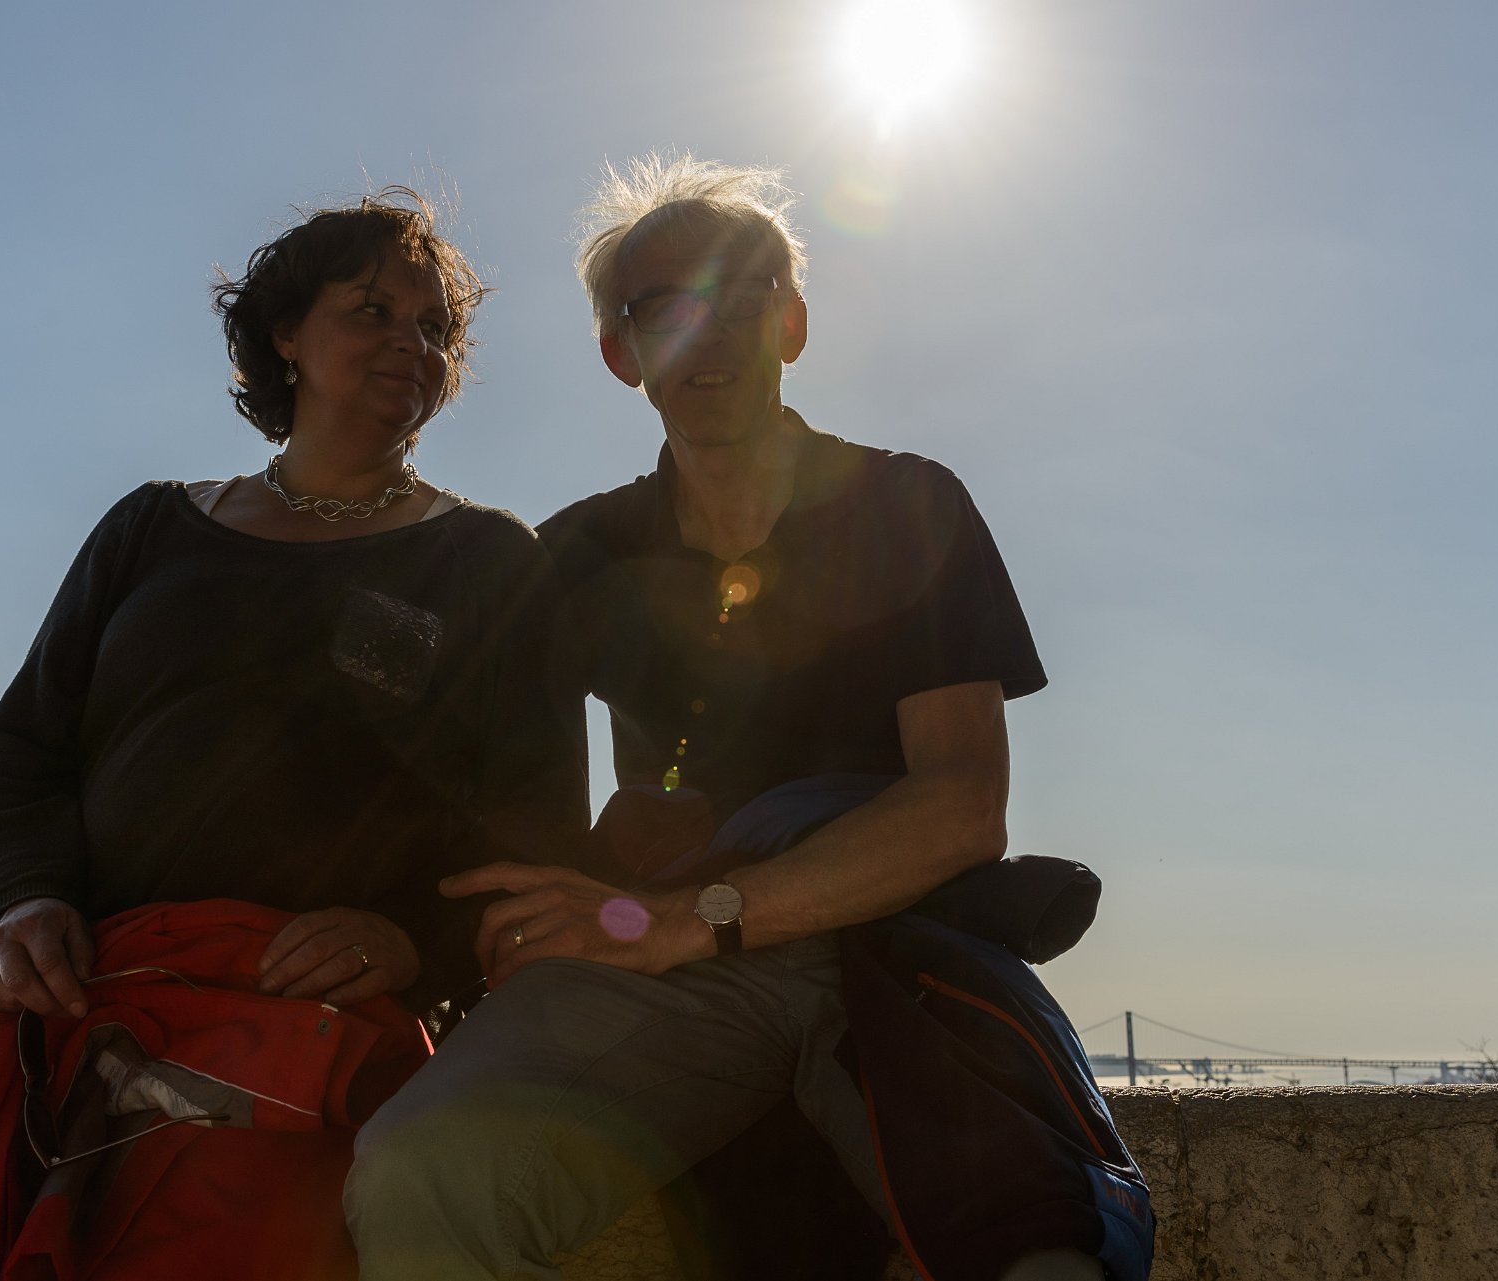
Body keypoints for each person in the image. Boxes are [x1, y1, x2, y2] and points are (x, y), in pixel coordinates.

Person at [345, 158, 1151, 1280]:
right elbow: (437, 751)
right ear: (622, 354)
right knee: (419, 1173)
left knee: (1034, 1249)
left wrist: (693, 918)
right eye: (666, 308)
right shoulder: (579, 553)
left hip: (892, 949)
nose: (708, 334)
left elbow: (963, 806)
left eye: (740, 297)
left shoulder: (906, 505)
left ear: (793, 323)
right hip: (675, 985)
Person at [0, 189, 585, 1281]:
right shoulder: (151, 526)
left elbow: (537, 834)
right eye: (372, 311)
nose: (411, 345)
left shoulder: (491, 561)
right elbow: (21, 757)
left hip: (308, 1038)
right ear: (284, 334)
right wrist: (19, 904)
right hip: (82, 1004)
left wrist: (409, 942)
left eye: (434, 328)